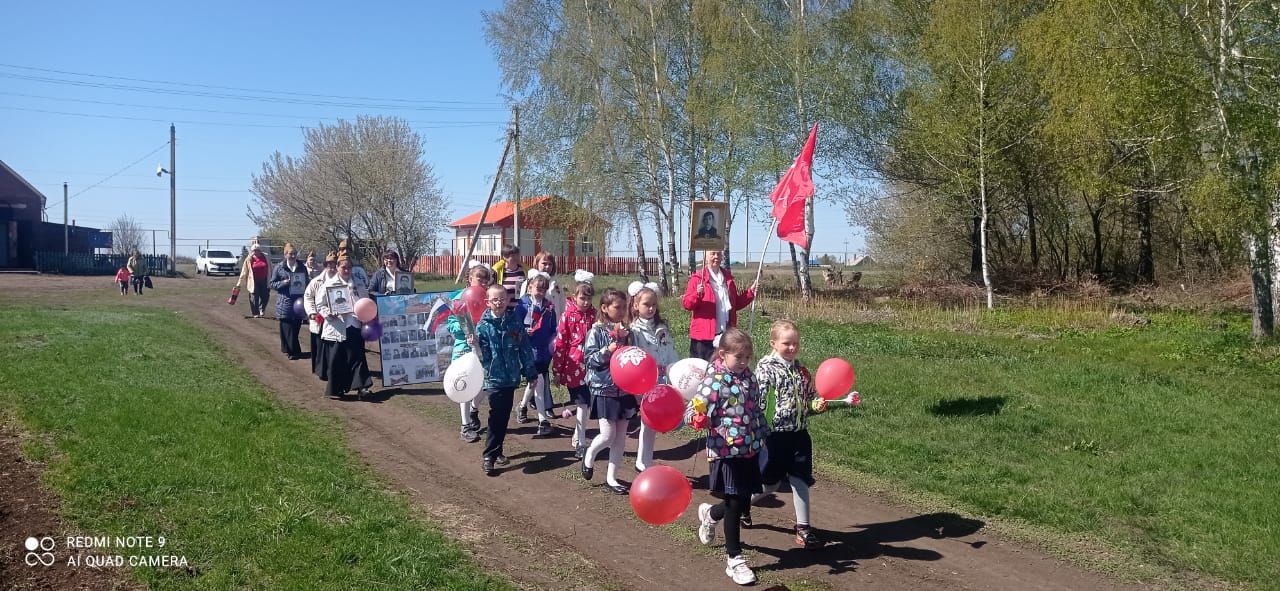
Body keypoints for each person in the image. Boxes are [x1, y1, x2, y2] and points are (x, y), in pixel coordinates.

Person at [691, 328, 769, 586]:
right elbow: (693, 409)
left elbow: (755, 408)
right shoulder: (715, 380)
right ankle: (734, 559)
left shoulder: (749, 377)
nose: (745, 362)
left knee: (743, 498)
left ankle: (711, 515)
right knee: (735, 500)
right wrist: (697, 417)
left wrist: (762, 432)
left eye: (748, 357)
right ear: (723, 355)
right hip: (725, 450)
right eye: (739, 357)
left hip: (749, 448)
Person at [752, 319, 827, 548]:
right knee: (770, 485)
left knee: (800, 479)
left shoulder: (801, 369)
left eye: (796, 343)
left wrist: (815, 404)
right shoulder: (765, 369)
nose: (792, 348)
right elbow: (759, 402)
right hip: (775, 437)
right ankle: (741, 505)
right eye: (787, 343)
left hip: (799, 434)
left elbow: (809, 395)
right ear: (773, 343)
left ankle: (803, 529)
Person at [467, 285, 536, 475]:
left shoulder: (514, 322)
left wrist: (530, 372)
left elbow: (524, 348)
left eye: (502, 299)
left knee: (503, 416)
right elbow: (479, 355)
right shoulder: (483, 326)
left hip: (511, 377)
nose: (499, 303)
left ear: (507, 301)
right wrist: (474, 344)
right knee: (496, 415)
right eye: (495, 300)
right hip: (493, 377)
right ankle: (489, 456)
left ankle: (497, 451)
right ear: (487, 302)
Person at [580, 288, 638, 495]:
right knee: (607, 434)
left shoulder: (627, 333)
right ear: (605, 308)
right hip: (604, 388)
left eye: (624, 307)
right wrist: (608, 351)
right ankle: (590, 454)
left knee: (621, 437)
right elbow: (589, 360)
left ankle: (611, 478)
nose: (622, 311)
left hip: (624, 390)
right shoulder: (595, 332)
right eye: (617, 307)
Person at [628, 286, 679, 472]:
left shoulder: (662, 328)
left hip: (663, 380)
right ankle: (642, 461)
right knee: (647, 421)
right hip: (645, 382)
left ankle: (645, 459)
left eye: (654, 305)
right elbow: (634, 357)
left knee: (652, 424)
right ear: (635, 305)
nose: (650, 308)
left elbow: (670, 350)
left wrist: (675, 370)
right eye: (646, 304)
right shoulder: (634, 331)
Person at [682, 250, 757, 361]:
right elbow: (687, 304)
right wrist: (697, 294)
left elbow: (735, 305)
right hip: (703, 337)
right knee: (702, 371)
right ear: (705, 257)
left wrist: (750, 293)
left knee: (722, 371)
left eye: (719, 254)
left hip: (725, 336)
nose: (716, 256)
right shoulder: (697, 279)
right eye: (712, 254)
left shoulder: (728, 279)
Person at [316, 255, 374, 399]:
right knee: (337, 359)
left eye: (349, 267)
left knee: (358, 357)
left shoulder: (359, 283)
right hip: (337, 327)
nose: (347, 270)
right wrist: (329, 313)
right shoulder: (329, 284)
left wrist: (367, 317)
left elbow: (366, 302)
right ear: (337, 268)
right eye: (343, 267)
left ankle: (362, 387)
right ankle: (337, 389)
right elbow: (319, 304)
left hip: (355, 325)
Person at [449, 264, 494, 443]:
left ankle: (474, 409)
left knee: (486, 382)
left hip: (483, 346)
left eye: (485, 279)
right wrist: (465, 331)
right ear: (470, 279)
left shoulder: (489, 298)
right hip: (463, 347)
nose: (482, 282)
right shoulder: (459, 298)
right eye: (479, 278)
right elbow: (452, 323)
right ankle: (465, 425)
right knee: (464, 384)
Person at [553, 281, 596, 458]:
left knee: (588, 403)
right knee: (583, 403)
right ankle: (580, 441)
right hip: (574, 366)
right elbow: (561, 344)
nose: (585, 302)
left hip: (593, 365)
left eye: (589, 298)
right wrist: (557, 371)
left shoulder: (595, 315)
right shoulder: (567, 315)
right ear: (575, 296)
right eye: (582, 298)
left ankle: (578, 435)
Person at [516, 273, 558, 436]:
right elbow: (515, 325)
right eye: (537, 288)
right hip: (527, 350)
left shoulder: (549, 307)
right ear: (530, 287)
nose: (540, 291)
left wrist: (554, 341)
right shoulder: (522, 304)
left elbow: (553, 327)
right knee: (538, 382)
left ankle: (522, 406)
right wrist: (523, 331)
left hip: (543, 352)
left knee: (534, 383)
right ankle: (543, 421)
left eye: (543, 289)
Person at [304, 252, 339, 378]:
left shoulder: (342, 280)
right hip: (320, 318)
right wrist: (312, 313)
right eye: (329, 264)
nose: (332, 267)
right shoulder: (316, 281)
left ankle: (333, 370)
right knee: (320, 345)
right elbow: (308, 297)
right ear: (325, 265)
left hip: (336, 319)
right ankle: (321, 371)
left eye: (335, 265)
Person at [270, 243, 307, 360]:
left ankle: (286, 348)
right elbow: (272, 283)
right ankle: (294, 352)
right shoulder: (279, 267)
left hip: (298, 301)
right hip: (285, 301)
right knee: (287, 327)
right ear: (285, 254)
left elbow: (307, 281)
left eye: (294, 254)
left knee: (296, 327)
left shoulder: (302, 267)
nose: (293, 256)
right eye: (290, 254)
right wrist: (282, 283)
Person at [519, 252, 565, 320]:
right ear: (537, 264)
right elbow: (522, 304)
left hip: (552, 324)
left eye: (550, 264)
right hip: (533, 323)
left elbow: (562, 305)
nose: (547, 267)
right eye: (544, 263)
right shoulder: (528, 283)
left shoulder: (556, 284)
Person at [236, 243, 272, 317]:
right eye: (254, 250)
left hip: (265, 280)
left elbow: (271, 267)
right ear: (252, 251)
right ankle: (255, 313)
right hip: (253, 281)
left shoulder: (266, 257)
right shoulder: (249, 259)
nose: (256, 252)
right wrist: (239, 283)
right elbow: (244, 271)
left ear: (260, 250)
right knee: (254, 297)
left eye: (258, 250)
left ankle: (262, 309)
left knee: (265, 296)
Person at [490, 243, 524, 312]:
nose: (516, 258)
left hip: (521, 309)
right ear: (505, 257)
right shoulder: (497, 272)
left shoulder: (524, 270)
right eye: (513, 256)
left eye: (517, 255)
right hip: (503, 309)